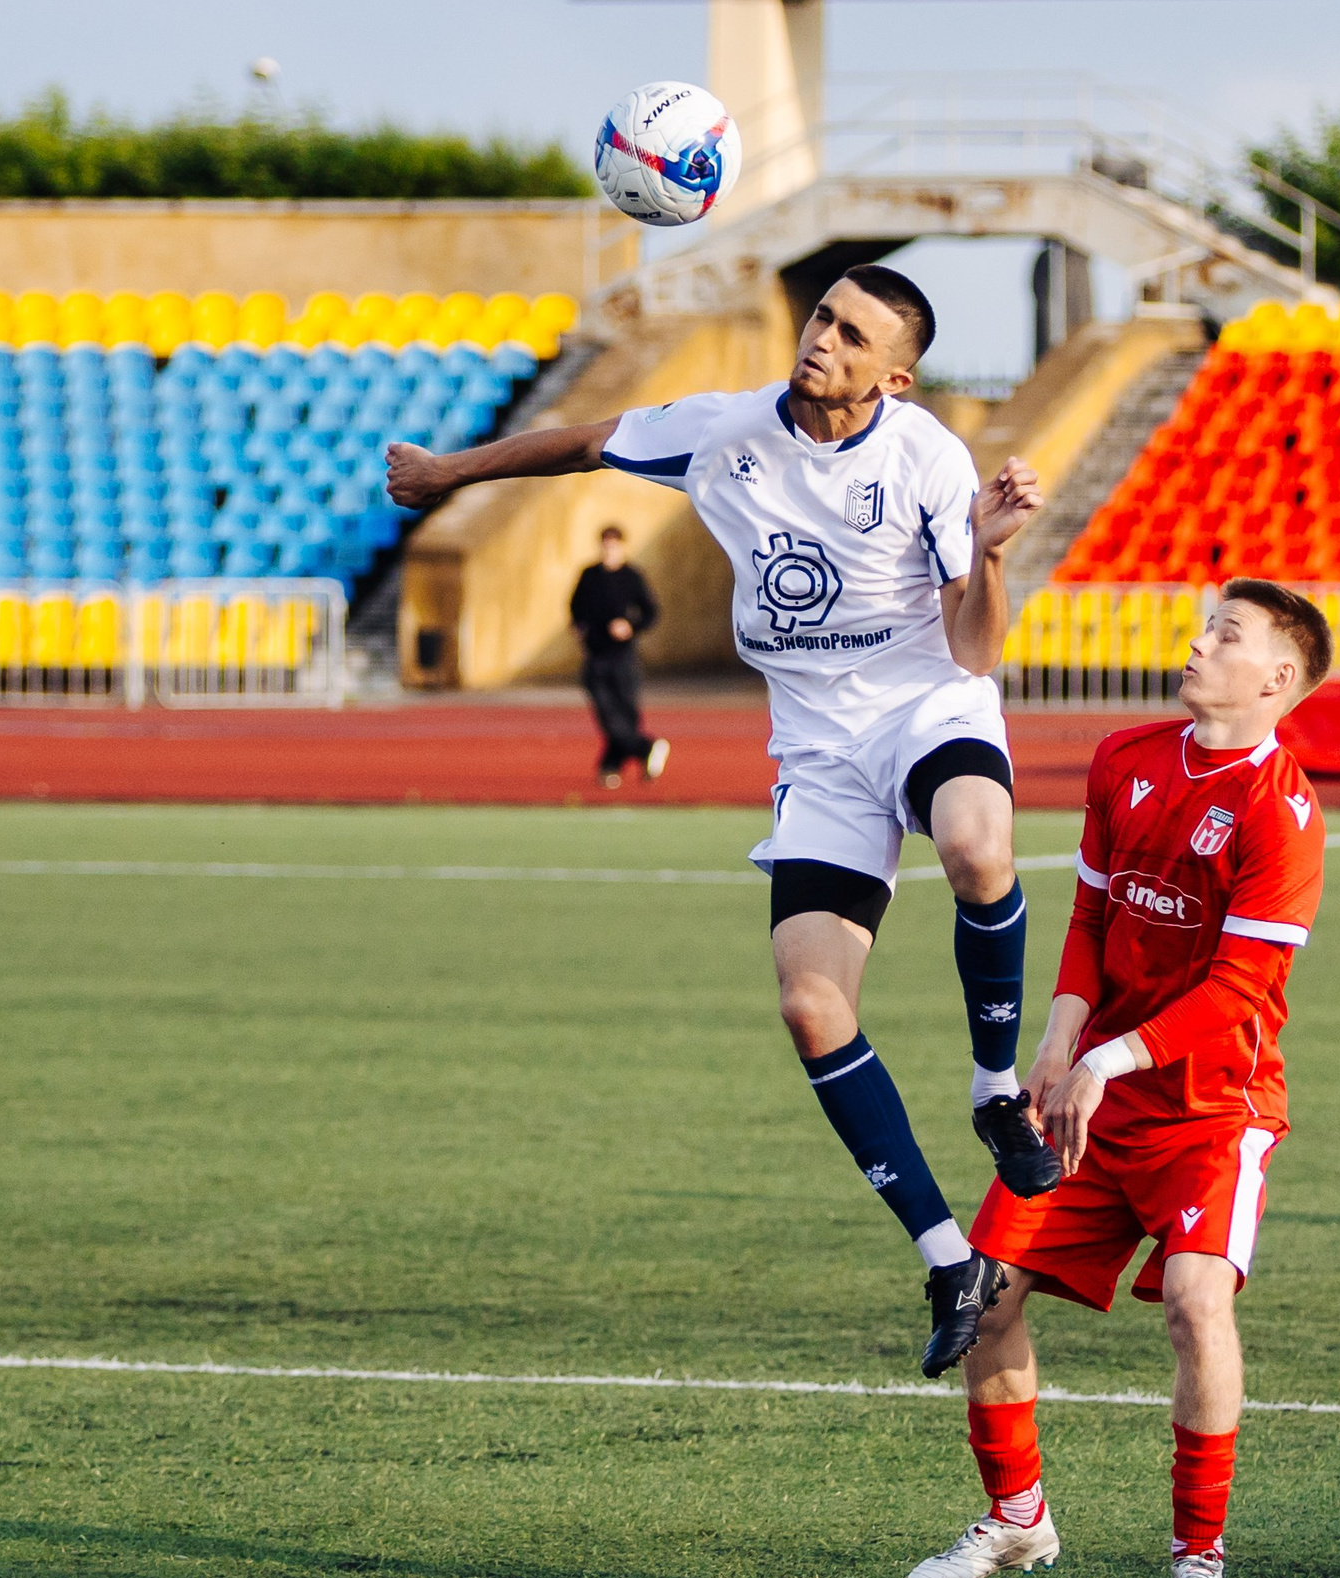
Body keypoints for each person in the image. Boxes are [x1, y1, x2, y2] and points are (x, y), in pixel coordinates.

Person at [384, 265, 1059, 1377]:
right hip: (820, 753)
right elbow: (583, 441)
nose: (823, 338)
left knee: (978, 847)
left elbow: (975, 650)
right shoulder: (724, 431)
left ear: (893, 377)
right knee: (810, 1006)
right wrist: (450, 472)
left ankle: (995, 1090)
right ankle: (950, 1261)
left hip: (926, 707)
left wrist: (986, 551)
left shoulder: (927, 458)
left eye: (854, 335)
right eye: (823, 316)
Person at [903, 580, 1334, 1578]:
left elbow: (1239, 988)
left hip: (1212, 1108)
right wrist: (1058, 1043)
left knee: (1195, 1299)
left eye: (1224, 635)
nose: (1196, 644)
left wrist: (1113, 1057)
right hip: (1094, 1090)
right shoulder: (1125, 759)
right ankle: (1017, 1518)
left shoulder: (1284, 814)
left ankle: (1198, 1555)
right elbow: (1091, 915)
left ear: (1277, 676)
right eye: (1204, 626)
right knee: (986, 1294)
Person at [568, 524, 668, 789]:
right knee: (606, 713)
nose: (608, 551)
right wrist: (579, 626)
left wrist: (630, 626)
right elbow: (575, 608)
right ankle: (646, 748)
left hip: (623, 657)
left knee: (627, 713)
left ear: (622, 547)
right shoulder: (589, 576)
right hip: (596, 656)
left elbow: (651, 612)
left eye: (613, 546)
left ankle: (610, 767)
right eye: (605, 545)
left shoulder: (632, 577)